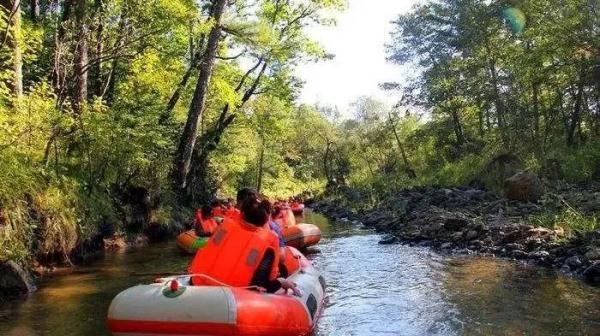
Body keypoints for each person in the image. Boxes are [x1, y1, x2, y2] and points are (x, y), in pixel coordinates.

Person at [189, 196, 299, 295]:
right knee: (282, 271)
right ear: (265, 220)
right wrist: (281, 282)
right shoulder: (267, 243)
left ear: (242, 213)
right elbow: (263, 285)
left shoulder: (223, 229)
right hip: (232, 299)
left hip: (196, 284)